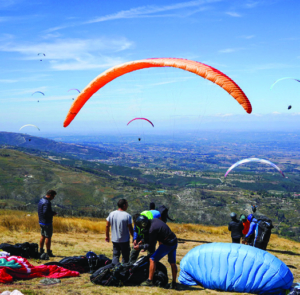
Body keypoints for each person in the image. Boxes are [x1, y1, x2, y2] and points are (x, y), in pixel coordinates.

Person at [134, 215, 178, 289]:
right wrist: (143, 241)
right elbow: (152, 235)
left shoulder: (152, 229)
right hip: (174, 240)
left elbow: (150, 245)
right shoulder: (154, 221)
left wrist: (140, 247)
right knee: (173, 263)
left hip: (167, 244)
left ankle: (149, 281)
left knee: (152, 259)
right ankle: (174, 283)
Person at [106, 199, 133, 265]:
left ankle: (114, 269)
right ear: (124, 205)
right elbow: (130, 228)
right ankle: (123, 271)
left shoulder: (111, 214)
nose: (127, 206)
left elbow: (107, 226)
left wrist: (107, 236)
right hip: (124, 240)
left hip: (115, 239)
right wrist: (134, 237)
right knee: (125, 257)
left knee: (115, 256)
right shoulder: (127, 215)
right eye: (127, 205)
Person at [38, 190, 57, 257]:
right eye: (53, 196)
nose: (53, 198)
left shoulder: (41, 200)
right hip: (47, 222)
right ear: (50, 195)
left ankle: (41, 250)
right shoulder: (47, 202)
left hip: (41, 221)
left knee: (42, 236)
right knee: (48, 237)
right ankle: (48, 252)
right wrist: (53, 213)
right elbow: (45, 212)